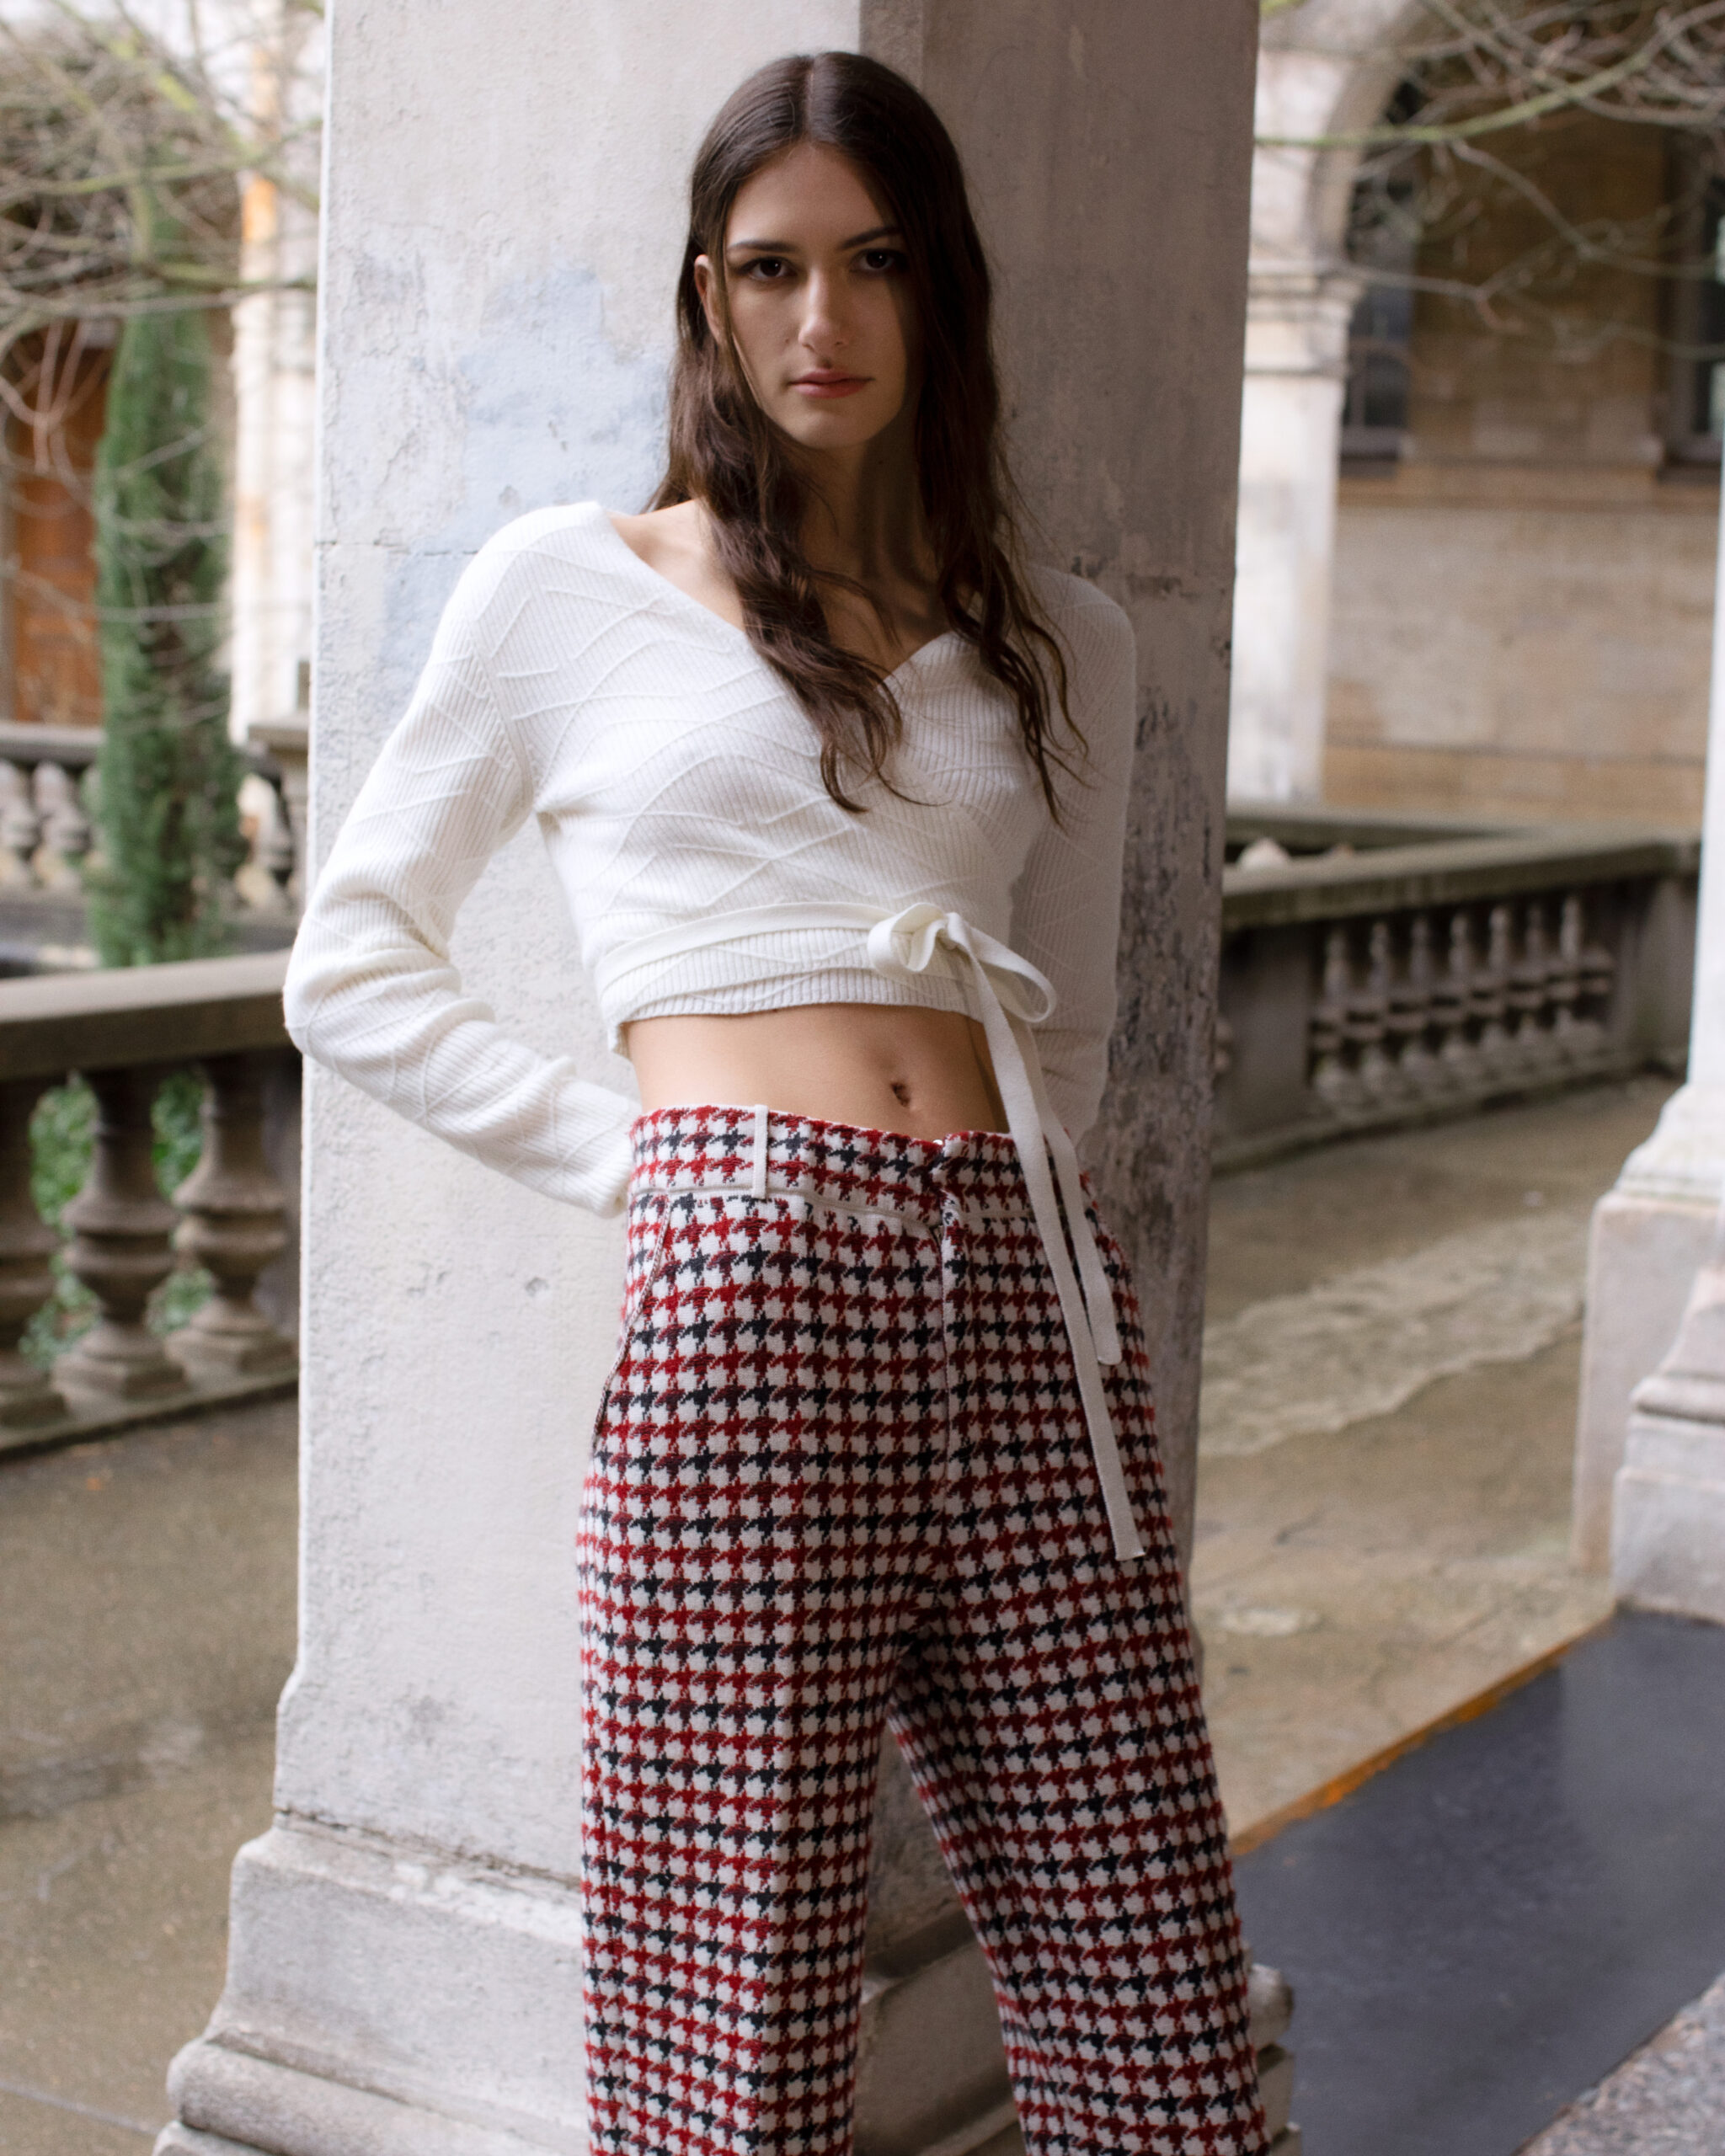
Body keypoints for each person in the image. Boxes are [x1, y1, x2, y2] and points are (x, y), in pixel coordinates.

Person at [284, 48, 1268, 2156]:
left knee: (1157, 1998)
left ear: (942, 289)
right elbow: (348, 960)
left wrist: (1012, 1216)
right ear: (705, 295)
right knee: (732, 2017)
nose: (824, 319)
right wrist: (659, 1171)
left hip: (1025, 1289)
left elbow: (1073, 1028)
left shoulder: (1062, 639)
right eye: (771, 267)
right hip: (751, 1278)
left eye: (875, 262)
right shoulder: (568, 585)